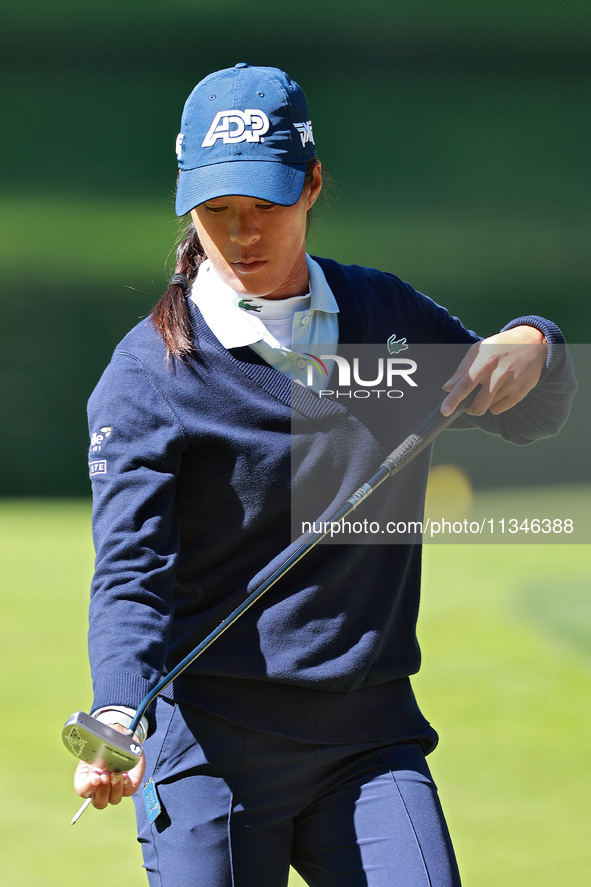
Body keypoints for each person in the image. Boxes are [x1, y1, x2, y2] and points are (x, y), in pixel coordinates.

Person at [73, 63, 576, 887]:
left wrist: (533, 340)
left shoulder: (384, 318)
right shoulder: (148, 378)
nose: (241, 237)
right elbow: (131, 575)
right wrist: (119, 712)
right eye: (216, 212)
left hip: (368, 739)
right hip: (210, 751)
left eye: (265, 207)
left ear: (311, 184)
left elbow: (525, 414)